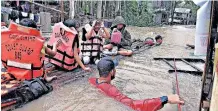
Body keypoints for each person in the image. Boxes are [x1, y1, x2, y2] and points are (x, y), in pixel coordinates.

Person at [89, 58, 185, 111]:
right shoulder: (111, 90)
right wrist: (165, 99)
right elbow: (134, 106)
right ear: (112, 72)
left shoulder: (92, 81)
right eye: (115, 69)